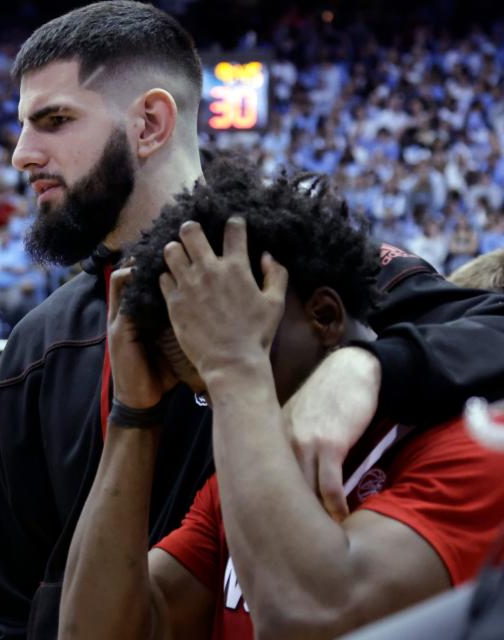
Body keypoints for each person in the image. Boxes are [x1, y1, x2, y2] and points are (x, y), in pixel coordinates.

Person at [0, 3, 504, 638]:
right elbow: (16, 600)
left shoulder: (322, 267)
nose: (21, 156)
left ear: (150, 122)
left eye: (54, 120)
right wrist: (134, 415)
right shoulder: (39, 341)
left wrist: (367, 367)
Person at [59, 158, 504, 639]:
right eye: (206, 393)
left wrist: (233, 367)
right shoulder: (242, 482)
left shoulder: (472, 443)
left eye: (243, 347)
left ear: (325, 316)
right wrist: (134, 413)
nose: (226, 411)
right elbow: (93, 632)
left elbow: (309, 617)